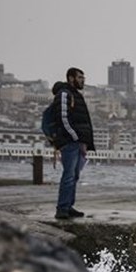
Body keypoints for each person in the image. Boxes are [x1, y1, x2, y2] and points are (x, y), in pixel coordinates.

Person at [53, 67, 95, 220]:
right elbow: (63, 119)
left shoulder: (76, 95)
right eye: (79, 77)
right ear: (71, 78)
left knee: (74, 176)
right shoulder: (64, 94)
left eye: (83, 77)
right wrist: (76, 138)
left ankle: (68, 206)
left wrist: (84, 142)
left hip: (77, 143)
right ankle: (62, 208)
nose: (82, 80)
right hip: (70, 142)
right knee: (69, 175)